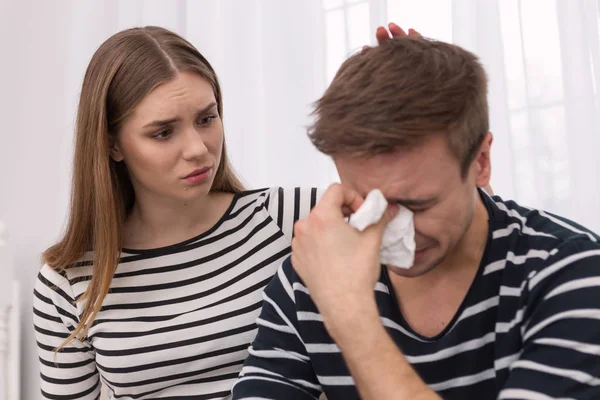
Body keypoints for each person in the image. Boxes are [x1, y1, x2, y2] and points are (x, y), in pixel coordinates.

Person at [31, 23, 411, 399]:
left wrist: (419, 105)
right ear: (113, 145)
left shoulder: (292, 219)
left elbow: (423, 215)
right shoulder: (67, 280)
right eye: (163, 132)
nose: (198, 148)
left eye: (206, 119)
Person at [232, 36, 600, 399]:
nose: (396, 232)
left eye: (418, 205)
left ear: (481, 163)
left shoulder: (571, 272)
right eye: (369, 203)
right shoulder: (312, 278)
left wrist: (350, 316)